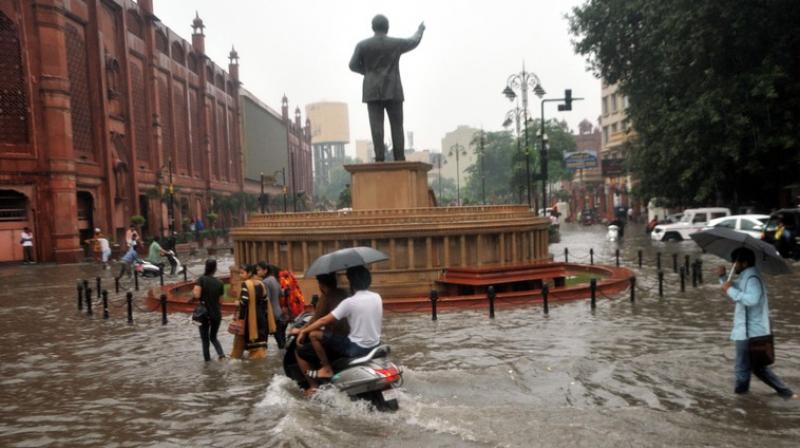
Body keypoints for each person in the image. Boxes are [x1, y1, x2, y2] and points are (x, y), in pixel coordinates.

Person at [716, 248, 797, 400]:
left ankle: (741, 400)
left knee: (742, 369)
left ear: (744, 262)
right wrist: (723, 278)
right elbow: (736, 289)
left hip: (749, 332)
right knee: (758, 368)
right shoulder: (747, 276)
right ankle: (786, 393)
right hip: (750, 330)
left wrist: (729, 290)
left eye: (735, 262)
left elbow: (751, 299)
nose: (733, 265)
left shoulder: (752, 278)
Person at [349, 15, 425, 162]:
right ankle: (399, 159)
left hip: (372, 91)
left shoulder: (362, 45)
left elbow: (352, 65)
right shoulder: (395, 43)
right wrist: (420, 29)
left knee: (376, 127)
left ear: (373, 27)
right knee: (397, 126)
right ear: (387, 27)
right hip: (393, 90)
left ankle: (379, 158)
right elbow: (414, 41)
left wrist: (366, 72)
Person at [297, 265, 382, 389]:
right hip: (375, 345)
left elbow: (323, 320)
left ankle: (326, 368)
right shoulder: (377, 297)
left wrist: (304, 330)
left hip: (355, 347)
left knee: (314, 335)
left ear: (351, 281)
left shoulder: (350, 302)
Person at [292, 272, 351, 394]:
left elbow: (317, 319)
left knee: (299, 350)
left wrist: (301, 331)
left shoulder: (327, 296)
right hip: (350, 339)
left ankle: (313, 385)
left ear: (321, 284)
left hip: (337, 340)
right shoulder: (347, 293)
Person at [231, 264, 275, 360]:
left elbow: (244, 302)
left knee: (241, 345)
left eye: (242, 273)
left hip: (250, 320)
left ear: (250, 273)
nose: (240, 275)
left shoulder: (245, 284)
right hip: (262, 319)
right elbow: (265, 302)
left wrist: (241, 319)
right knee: (260, 346)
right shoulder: (261, 284)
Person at [193, 259, 225, 362]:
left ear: (205, 267)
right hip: (216, 314)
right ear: (215, 268)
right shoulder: (220, 282)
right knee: (213, 337)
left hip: (203, 314)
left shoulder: (201, 279)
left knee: (205, 339)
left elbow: (197, 295)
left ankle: (207, 362)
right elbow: (221, 301)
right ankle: (222, 355)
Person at [257, 262, 287, 349]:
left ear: (265, 270)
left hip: (270, 314)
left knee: (265, 336)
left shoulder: (265, 282)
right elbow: (281, 293)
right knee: (279, 337)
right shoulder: (274, 279)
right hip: (278, 312)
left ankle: (263, 355)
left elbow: (267, 299)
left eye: (259, 270)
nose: (257, 272)